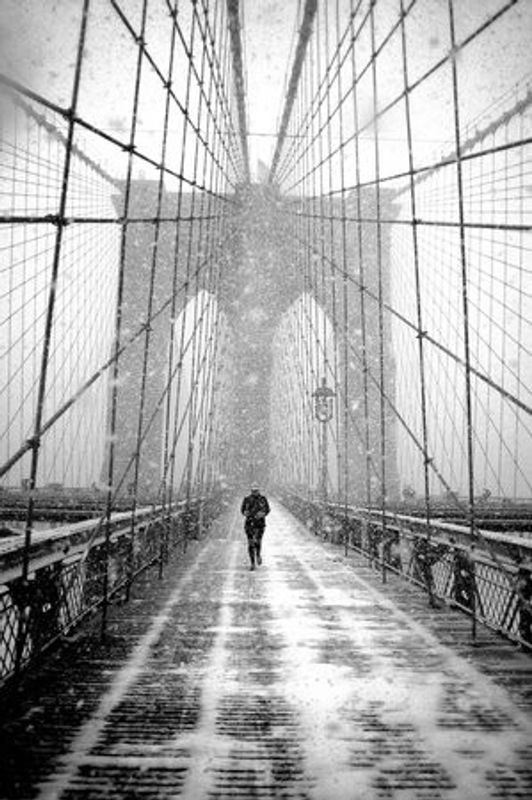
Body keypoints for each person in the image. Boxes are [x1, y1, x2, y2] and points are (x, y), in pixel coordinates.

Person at [241, 486, 270, 570]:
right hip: (249, 524)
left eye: (256, 491)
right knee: (250, 543)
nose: (255, 492)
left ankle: (258, 554)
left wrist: (263, 513)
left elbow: (267, 509)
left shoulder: (263, 499)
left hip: (260, 524)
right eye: (253, 491)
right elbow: (242, 509)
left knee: (258, 541)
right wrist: (245, 513)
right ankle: (252, 563)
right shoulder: (247, 499)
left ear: (258, 491)